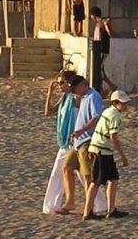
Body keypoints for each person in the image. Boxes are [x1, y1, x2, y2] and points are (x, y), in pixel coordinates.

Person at [83, 88, 131, 221]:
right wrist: (123, 156)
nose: (126, 105)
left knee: (113, 179)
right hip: (101, 151)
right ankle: (87, 212)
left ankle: (111, 209)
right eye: (123, 103)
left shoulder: (108, 111)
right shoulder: (115, 115)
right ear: (116, 103)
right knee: (96, 182)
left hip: (102, 150)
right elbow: (113, 136)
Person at [68, 73, 106, 212]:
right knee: (67, 167)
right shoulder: (84, 97)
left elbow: (96, 117)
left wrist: (81, 130)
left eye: (75, 89)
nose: (74, 92)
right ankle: (70, 202)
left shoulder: (93, 96)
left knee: (87, 175)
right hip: (78, 140)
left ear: (82, 85)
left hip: (87, 139)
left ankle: (89, 207)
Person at [43, 71, 80, 214]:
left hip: (74, 141)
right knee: (59, 173)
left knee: (80, 174)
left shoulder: (76, 98)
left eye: (62, 83)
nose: (59, 86)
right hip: (65, 142)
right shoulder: (64, 98)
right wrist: (49, 94)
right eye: (58, 83)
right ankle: (52, 205)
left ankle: (100, 203)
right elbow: (48, 112)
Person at [89, 7, 112, 94]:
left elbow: (110, 34)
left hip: (103, 49)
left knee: (99, 71)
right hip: (97, 50)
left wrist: (106, 25)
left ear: (94, 15)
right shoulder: (98, 24)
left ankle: (108, 86)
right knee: (99, 70)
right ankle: (109, 86)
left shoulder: (103, 23)